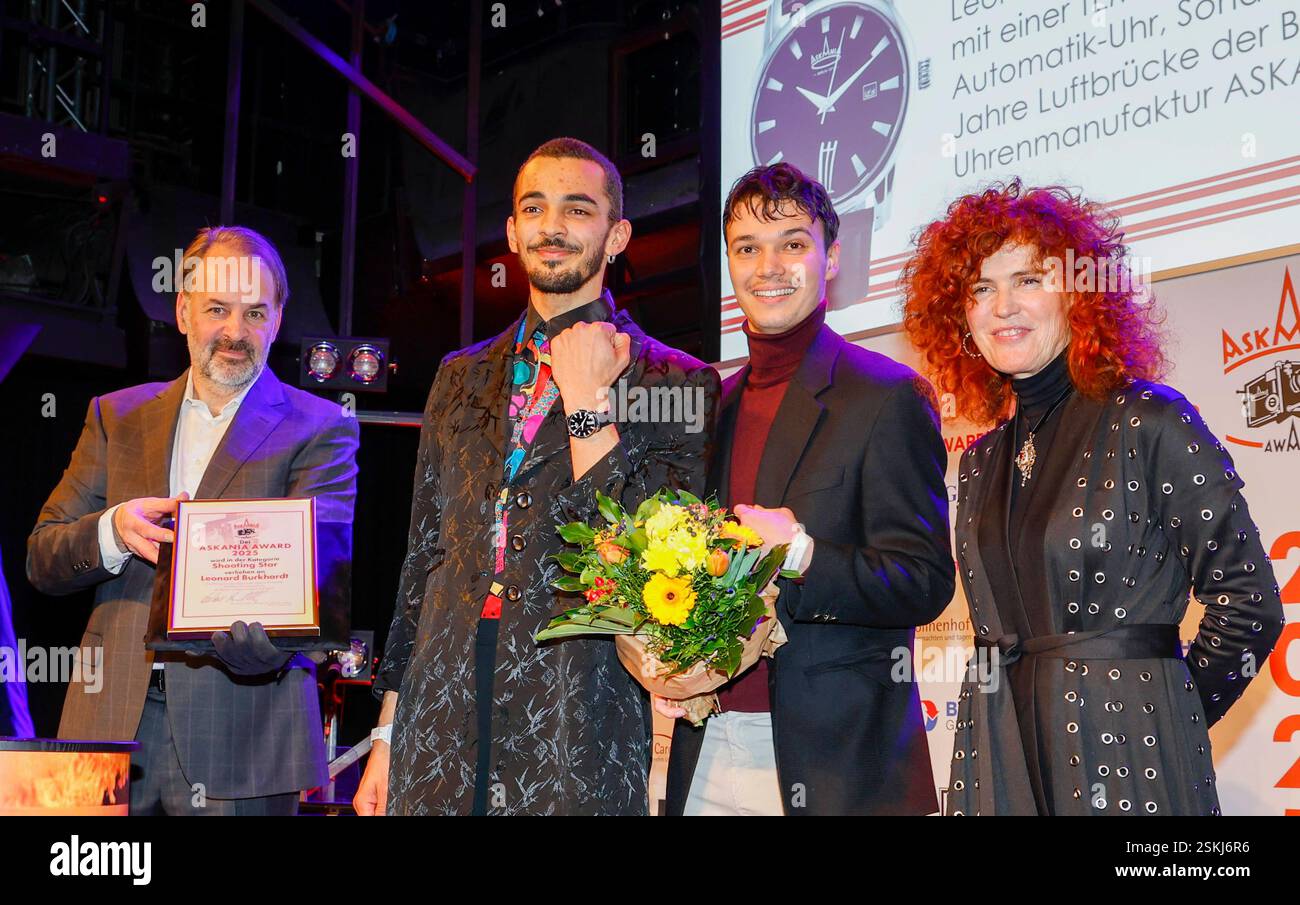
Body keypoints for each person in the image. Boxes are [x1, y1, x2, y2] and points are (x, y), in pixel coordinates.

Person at [356, 137, 720, 816]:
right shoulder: (459, 375)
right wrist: (385, 733)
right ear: (513, 230)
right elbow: (423, 558)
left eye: (577, 209)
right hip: (442, 708)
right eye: (535, 208)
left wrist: (585, 404)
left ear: (616, 236)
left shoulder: (674, 380)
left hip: (577, 707)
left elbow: (641, 563)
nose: (552, 226)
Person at [901, 179, 1286, 815]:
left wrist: (1168, 717)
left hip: (1129, 758)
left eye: (1028, 280)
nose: (1003, 307)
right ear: (959, 317)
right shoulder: (979, 460)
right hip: (999, 759)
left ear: (1079, 295)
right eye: (981, 289)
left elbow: (1249, 606)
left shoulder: (1149, 421)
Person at [27, 225, 358, 815]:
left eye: (255, 312)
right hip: (107, 726)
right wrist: (113, 531)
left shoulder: (322, 428)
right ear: (182, 312)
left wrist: (259, 642)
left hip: (245, 736)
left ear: (279, 319)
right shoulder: (116, 415)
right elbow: (42, 558)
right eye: (216, 309)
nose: (235, 331)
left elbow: (313, 597)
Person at [660, 163, 955, 815]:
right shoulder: (711, 406)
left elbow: (926, 580)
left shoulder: (885, 396)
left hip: (836, 766)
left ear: (831, 258)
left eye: (793, 243)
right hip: (705, 752)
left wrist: (801, 555)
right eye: (747, 248)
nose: (769, 265)